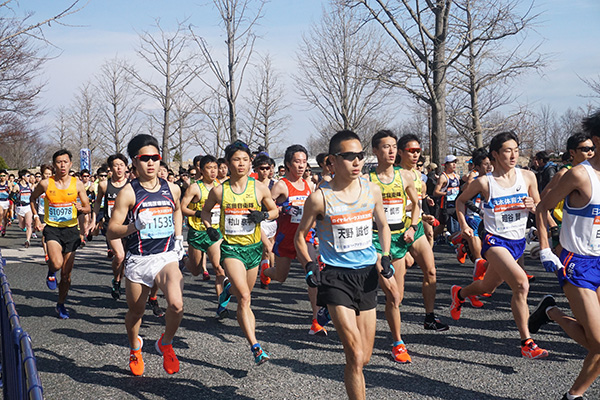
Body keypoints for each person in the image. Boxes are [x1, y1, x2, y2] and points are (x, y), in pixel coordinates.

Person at [295, 130, 392, 400]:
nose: (357, 162)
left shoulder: (372, 190)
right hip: (335, 277)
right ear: (332, 161)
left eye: (360, 156)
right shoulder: (320, 198)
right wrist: (309, 265)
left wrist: (384, 255)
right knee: (355, 353)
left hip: (367, 275)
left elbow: (383, 225)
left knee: (366, 357)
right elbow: (300, 238)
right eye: (349, 156)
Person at [450, 131, 548, 359]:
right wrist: (464, 224)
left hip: (517, 242)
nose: (513, 155)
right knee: (521, 284)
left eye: (516, 150)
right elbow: (460, 201)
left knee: (487, 287)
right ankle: (527, 342)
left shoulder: (528, 177)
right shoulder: (485, 182)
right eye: (507, 150)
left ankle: (460, 294)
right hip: (494, 242)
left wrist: (533, 206)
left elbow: (541, 208)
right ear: (495, 154)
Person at [532, 111, 600, 400]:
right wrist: (546, 248)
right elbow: (542, 208)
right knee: (599, 343)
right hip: (576, 263)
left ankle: (550, 312)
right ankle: (573, 396)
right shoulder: (579, 175)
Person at [108, 134, 185, 376]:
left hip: (165, 256)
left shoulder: (171, 188)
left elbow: (178, 211)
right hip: (138, 260)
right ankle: (134, 347)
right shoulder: (128, 193)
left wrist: (179, 237)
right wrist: (134, 227)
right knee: (136, 312)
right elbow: (111, 230)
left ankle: (166, 343)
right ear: (135, 161)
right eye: (145, 158)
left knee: (176, 304)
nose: (151, 163)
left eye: (156, 158)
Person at [201, 140, 278, 365]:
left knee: (244, 299)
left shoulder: (259, 188)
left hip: (253, 249)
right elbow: (205, 213)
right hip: (231, 249)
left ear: (250, 162)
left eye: (245, 159)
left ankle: (227, 289)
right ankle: (256, 346)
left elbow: (274, 211)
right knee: (244, 296)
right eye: (236, 159)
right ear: (227, 163)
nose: (241, 163)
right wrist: (210, 229)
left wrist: (262, 216)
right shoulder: (219, 190)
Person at [368, 130, 422, 363]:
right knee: (391, 290)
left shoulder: (406, 176)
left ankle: (396, 342)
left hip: (400, 239)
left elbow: (416, 204)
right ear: (375, 151)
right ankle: (397, 342)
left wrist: (413, 226)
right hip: (375, 240)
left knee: (396, 298)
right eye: (385, 147)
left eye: (393, 147)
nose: (391, 151)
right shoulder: (367, 179)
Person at [261, 145, 324, 335]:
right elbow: (268, 209)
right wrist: (282, 209)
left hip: (305, 238)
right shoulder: (281, 185)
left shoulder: (309, 185)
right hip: (286, 238)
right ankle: (266, 270)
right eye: (297, 162)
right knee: (281, 276)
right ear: (288, 164)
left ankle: (316, 320)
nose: (301, 166)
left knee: (313, 275)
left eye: (304, 162)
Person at [395, 134, 450, 332]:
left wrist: (423, 215)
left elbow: (417, 202)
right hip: (398, 232)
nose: (416, 154)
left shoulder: (419, 176)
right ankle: (395, 330)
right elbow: (394, 207)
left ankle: (429, 317)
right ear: (400, 152)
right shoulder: (394, 175)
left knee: (431, 271)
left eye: (418, 150)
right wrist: (413, 211)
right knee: (397, 288)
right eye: (411, 151)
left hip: (416, 229)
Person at [30, 150, 91, 319]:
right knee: (56, 264)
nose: (62, 165)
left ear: (71, 164)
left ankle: (61, 304)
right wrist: (36, 217)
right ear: (54, 164)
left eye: (65, 161)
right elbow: (32, 198)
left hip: (71, 231)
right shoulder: (46, 183)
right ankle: (51, 272)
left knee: (66, 275)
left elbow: (88, 207)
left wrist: (82, 208)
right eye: (59, 162)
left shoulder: (77, 184)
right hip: (53, 229)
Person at [180, 155, 228, 317]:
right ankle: (184, 260)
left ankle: (222, 304)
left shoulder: (220, 186)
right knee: (194, 271)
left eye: (215, 168)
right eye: (209, 168)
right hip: (197, 232)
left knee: (219, 268)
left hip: (214, 232)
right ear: (201, 169)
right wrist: (198, 213)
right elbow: (182, 208)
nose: (213, 171)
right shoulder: (195, 188)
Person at [94, 154, 130, 300]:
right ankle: (116, 279)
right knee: (119, 256)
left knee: (126, 259)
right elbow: (97, 203)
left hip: (128, 226)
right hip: (112, 227)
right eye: (116, 165)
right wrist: (93, 220)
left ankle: (117, 281)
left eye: (122, 165)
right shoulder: (104, 185)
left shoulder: (131, 185)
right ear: (110, 168)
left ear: (126, 167)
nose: (119, 168)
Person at [433, 155, 461, 239]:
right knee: (443, 225)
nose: (454, 165)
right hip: (445, 205)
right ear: (446, 164)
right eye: (452, 162)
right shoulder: (443, 177)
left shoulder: (457, 176)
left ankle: (454, 240)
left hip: (455, 204)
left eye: (455, 162)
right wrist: (447, 193)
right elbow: (435, 192)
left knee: (459, 223)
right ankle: (432, 238)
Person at [13, 169, 33, 247]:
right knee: (22, 225)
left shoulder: (30, 185)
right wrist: (18, 201)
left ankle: (27, 240)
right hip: (20, 208)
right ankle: (21, 226)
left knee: (28, 224)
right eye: (28, 176)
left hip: (28, 207)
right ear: (23, 176)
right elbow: (11, 197)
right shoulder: (17, 186)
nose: (29, 177)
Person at [0, 169, 11, 236]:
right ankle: (0, 224)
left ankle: (4, 228)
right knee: (0, 213)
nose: (2, 177)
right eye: (1, 176)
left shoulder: (8, 183)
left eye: (3, 176)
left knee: (4, 216)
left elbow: (11, 191)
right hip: (0, 200)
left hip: (6, 201)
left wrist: (8, 190)